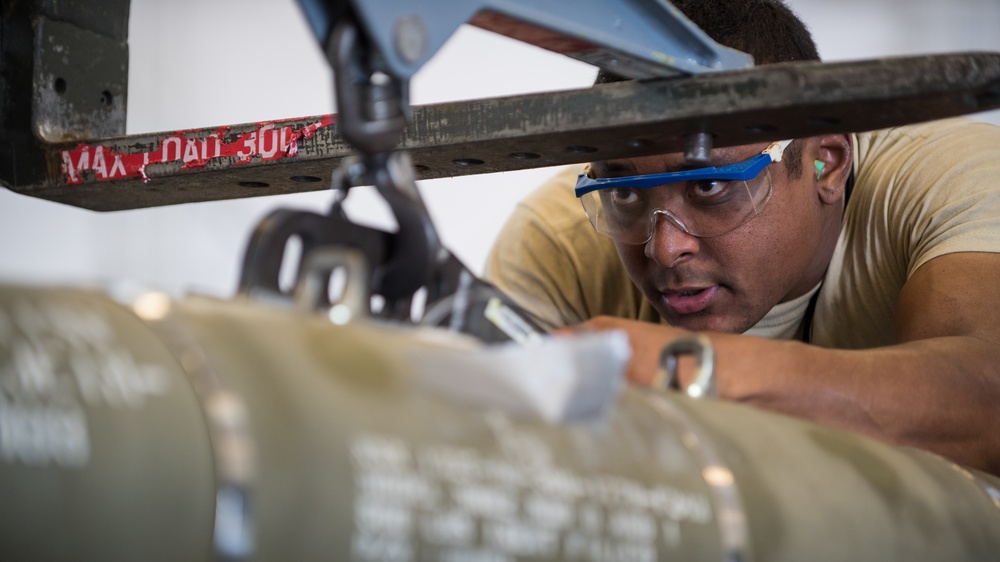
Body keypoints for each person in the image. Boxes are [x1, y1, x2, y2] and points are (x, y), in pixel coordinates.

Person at [484, 0, 1000, 476]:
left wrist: (685, 371)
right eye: (626, 197)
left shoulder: (954, 174)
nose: (665, 249)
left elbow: (983, 402)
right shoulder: (559, 232)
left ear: (826, 164)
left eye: (710, 186)